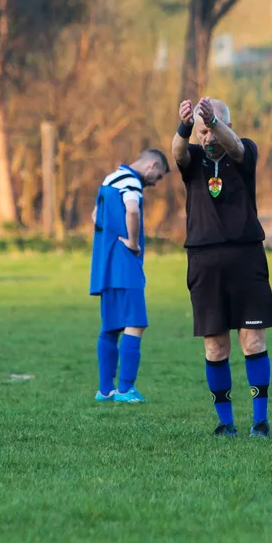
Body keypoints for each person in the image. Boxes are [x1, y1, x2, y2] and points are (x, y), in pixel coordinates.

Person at [172, 97, 272, 438]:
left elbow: (234, 146)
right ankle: (225, 423)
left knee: (253, 343)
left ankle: (259, 422)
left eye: (212, 128)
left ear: (226, 124)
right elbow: (177, 152)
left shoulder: (244, 151)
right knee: (215, 347)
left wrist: (216, 124)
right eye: (202, 131)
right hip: (204, 261)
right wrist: (186, 125)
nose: (207, 137)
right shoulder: (195, 159)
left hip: (246, 259)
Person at [89, 149, 170, 403]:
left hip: (105, 264)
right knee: (136, 323)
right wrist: (133, 243)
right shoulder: (131, 181)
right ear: (152, 164)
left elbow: (95, 215)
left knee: (111, 327)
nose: (156, 182)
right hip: (125, 264)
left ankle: (105, 391)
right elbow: (132, 211)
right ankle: (125, 389)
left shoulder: (109, 178)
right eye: (158, 175)